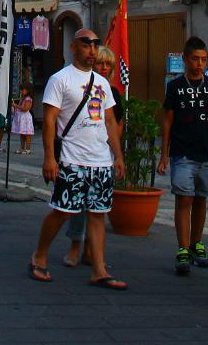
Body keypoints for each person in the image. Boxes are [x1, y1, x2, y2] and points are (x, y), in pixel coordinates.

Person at [28, 28, 127, 290]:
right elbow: (49, 121)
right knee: (62, 211)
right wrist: (50, 158)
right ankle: (39, 254)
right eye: (87, 44)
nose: (92, 49)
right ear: (74, 47)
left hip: (101, 160)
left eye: (96, 44)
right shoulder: (60, 79)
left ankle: (99, 269)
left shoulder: (103, 83)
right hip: (72, 158)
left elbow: (109, 121)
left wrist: (118, 156)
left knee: (98, 214)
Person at [159, 37, 208, 277]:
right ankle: (182, 248)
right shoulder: (175, 87)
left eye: (203, 60)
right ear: (185, 59)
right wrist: (164, 154)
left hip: (207, 152)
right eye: (195, 59)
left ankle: (197, 243)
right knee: (184, 198)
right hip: (183, 152)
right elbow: (168, 121)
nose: (199, 64)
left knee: (201, 198)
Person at [13, 86, 35, 154]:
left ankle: (28, 149)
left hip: (25, 118)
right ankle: (22, 148)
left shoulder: (28, 99)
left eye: (23, 90)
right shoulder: (23, 98)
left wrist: (16, 105)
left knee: (27, 134)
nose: (21, 91)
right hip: (21, 117)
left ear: (27, 90)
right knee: (22, 134)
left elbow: (25, 109)